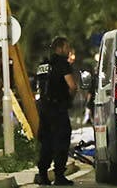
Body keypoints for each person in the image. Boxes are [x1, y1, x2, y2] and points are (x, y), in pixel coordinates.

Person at [35, 37, 78, 186]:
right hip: (58, 108)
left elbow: (38, 85)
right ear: (60, 48)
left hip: (44, 109)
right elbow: (72, 86)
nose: (68, 51)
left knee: (46, 141)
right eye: (67, 47)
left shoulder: (43, 65)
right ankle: (59, 175)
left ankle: (43, 174)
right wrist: (69, 98)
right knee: (61, 140)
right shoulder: (62, 64)